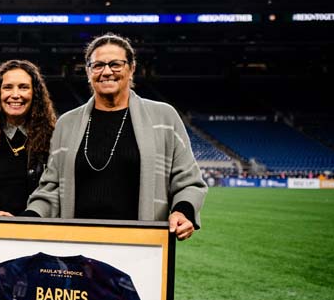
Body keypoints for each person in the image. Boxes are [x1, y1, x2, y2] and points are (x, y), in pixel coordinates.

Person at [26, 32, 206, 239]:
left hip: (142, 245)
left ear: (132, 69)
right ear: (88, 71)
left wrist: (183, 211)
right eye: (98, 65)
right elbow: (51, 188)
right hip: (77, 245)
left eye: (116, 64)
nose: (107, 71)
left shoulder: (164, 117)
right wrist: (26, 218)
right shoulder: (67, 123)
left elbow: (189, 181)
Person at [0, 60, 57, 216]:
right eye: (7, 87)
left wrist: (21, 221)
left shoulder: (52, 137)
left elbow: (55, 191)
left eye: (23, 87)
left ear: (35, 93)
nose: (15, 95)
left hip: (34, 233)